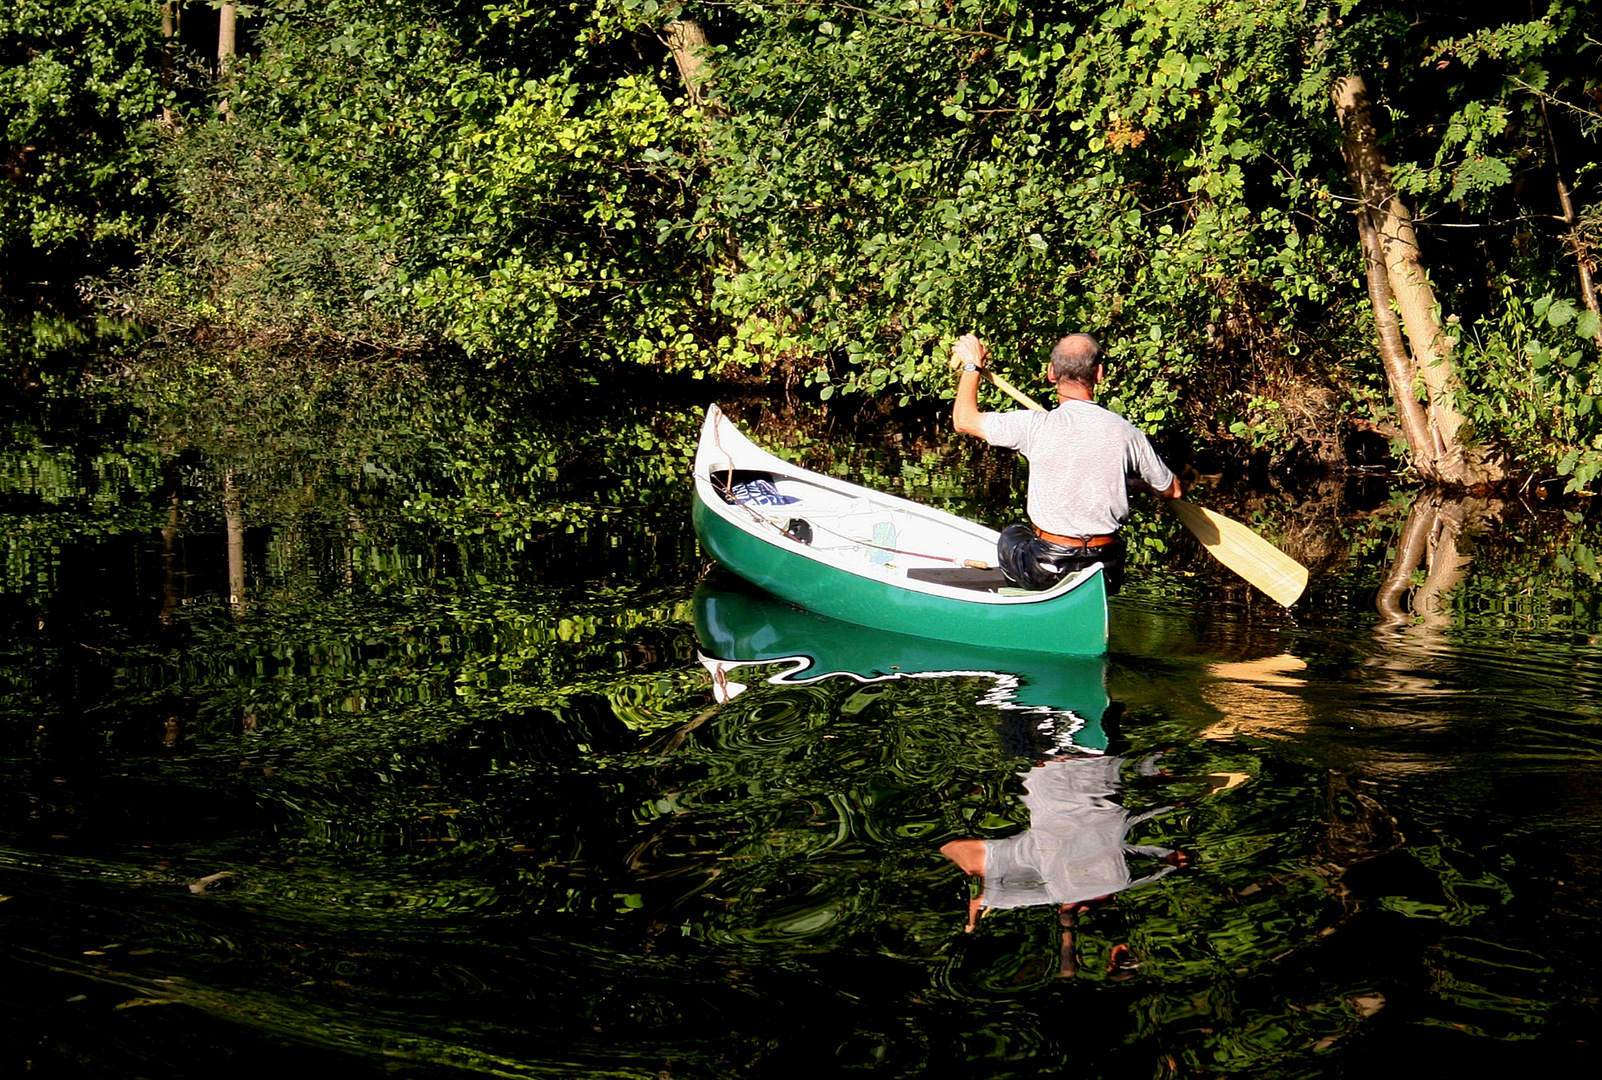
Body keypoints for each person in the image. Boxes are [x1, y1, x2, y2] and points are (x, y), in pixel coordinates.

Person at [950, 331, 1181, 593]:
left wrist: (973, 366)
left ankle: (1026, 597)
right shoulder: (1128, 433)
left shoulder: (1034, 426)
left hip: (1049, 567)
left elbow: (963, 420)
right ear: (1099, 374)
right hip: (1107, 566)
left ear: (1051, 373)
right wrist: (1137, 483)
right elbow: (1172, 490)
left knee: (1012, 534)